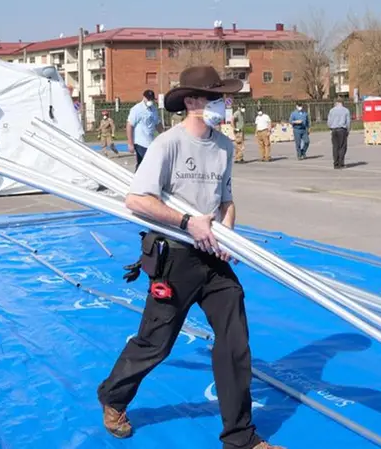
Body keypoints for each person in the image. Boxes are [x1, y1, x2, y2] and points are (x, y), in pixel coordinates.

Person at [96, 65, 285, 449]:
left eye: (224, 97)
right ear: (193, 101)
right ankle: (114, 397)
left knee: (235, 343)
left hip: (213, 258)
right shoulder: (168, 144)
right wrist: (187, 222)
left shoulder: (225, 146)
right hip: (175, 256)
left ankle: (240, 437)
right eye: (216, 97)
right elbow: (136, 200)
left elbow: (226, 200)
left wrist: (226, 233)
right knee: (156, 342)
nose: (224, 104)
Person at [127, 89, 163, 168]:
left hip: (150, 142)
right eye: (148, 99)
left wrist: (164, 135)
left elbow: (157, 123)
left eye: (151, 99)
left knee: (144, 165)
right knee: (147, 164)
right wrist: (130, 143)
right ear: (144, 97)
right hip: (140, 142)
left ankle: (137, 178)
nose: (150, 101)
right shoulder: (137, 109)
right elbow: (130, 125)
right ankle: (138, 179)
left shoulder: (153, 109)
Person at [327, 100, 351, 169]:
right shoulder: (346, 110)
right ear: (342, 103)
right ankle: (341, 163)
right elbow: (348, 122)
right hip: (342, 130)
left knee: (335, 147)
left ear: (336, 103)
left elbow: (329, 121)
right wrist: (348, 130)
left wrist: (330, 128)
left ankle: (336, 164)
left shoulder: (331, 110)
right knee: (342, 147)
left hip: (334, 130)